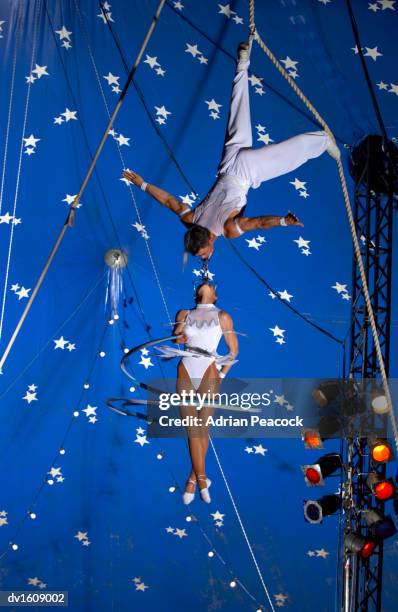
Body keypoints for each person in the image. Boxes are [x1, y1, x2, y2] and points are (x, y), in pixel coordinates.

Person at [122, 40, 340, 261]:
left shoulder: (228, 230)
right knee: (238, 110)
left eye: (202, 254)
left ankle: (323, 140)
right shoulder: (190, 219)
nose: (204, 257)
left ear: (207, 242)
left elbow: (259, 223)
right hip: (227, 164)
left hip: (246, 171)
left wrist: (284, 221)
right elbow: (169, 201)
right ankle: (242, 64)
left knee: (289, 155)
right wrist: (141, 184)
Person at [168, 282, 238, 505]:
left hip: (209, 367)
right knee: (192, 428)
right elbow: (175, 338)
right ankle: (201, 479)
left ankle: (193, 479)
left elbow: (233, 350)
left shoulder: (223, 316)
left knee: (202, 427)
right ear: (197, 292)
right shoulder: (184, 313)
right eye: (205, 285)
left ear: (215, 296)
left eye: (213, 287)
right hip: (186, 367)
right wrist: (179, 336)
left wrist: (223, 374)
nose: (208, 285)